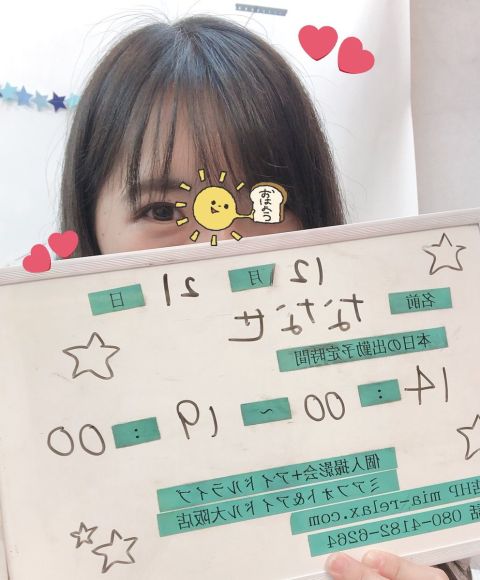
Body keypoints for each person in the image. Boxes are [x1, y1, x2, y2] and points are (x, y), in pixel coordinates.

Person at [59, 14, 472, 580]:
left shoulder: (398, 394)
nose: (218, 242)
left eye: (262, 203)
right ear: (91, 227)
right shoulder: (47, 451)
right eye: (162, 210)